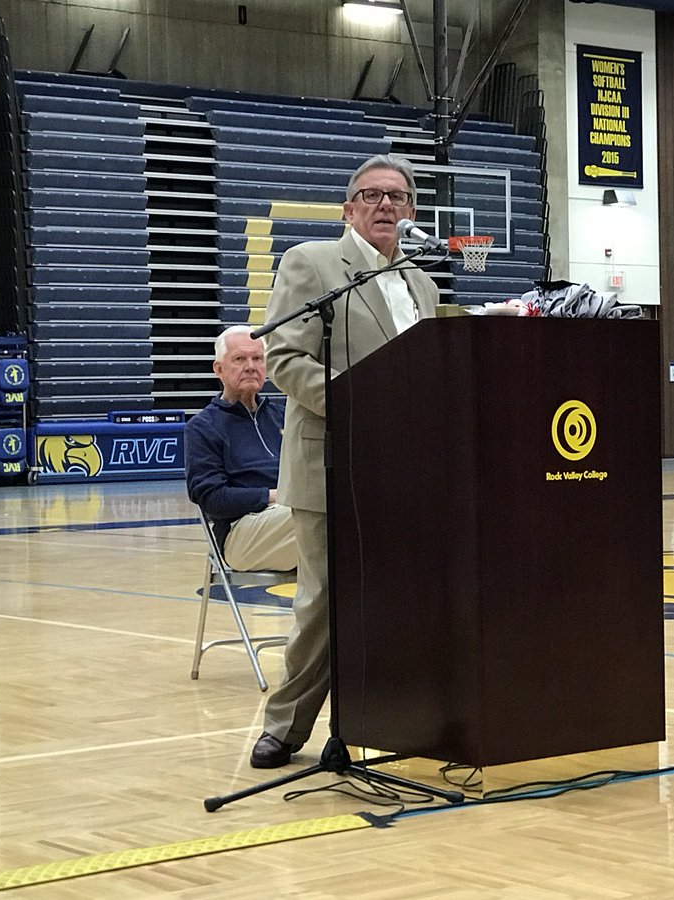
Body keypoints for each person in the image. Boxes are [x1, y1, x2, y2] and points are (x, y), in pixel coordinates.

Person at [250, 153, 440, 768]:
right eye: (373, 195)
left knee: (403, 598)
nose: (387, 205)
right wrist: (367, 402)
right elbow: (285, 359)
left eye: (399, 196)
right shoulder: (312, 264)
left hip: (405, 468)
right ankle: (287, 724)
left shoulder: (423, 283)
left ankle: (383, 717)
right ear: (349, 207)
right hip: (331, 462)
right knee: (325, 599)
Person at [185, 325, 298, 573]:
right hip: (241, 532)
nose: (250, 366)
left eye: (257, 358)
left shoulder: (283, 417)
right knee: (312, 511)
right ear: (219, 369)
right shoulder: (203, 427)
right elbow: (212, 499)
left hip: (289, 520)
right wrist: (274, 496)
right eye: (239, 359)